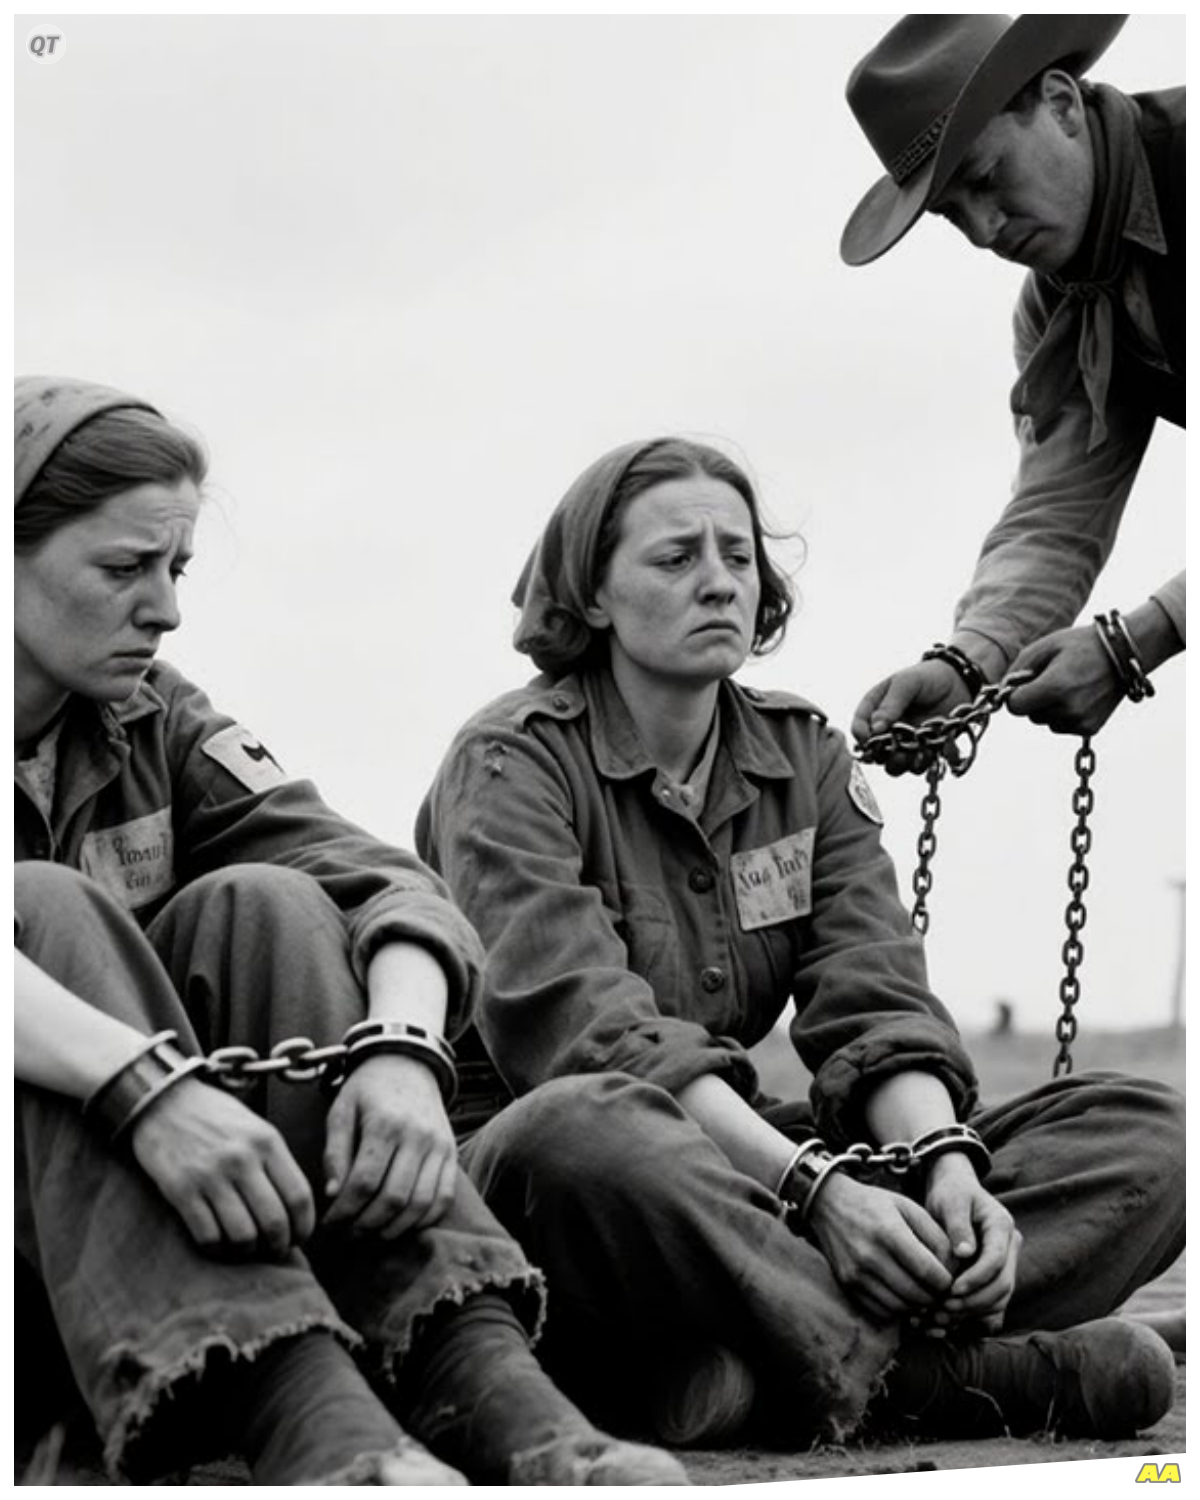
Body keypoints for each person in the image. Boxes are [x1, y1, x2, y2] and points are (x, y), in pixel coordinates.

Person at [417, 435, 1183, 1453]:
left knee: (1150, 1131)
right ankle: (950, 1375)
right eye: (676, 558)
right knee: (586, 1130)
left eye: (738, 556)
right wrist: (817, 1196)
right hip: (570, 1182)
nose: (720, 582)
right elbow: (592, 1042)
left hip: (750, 1177)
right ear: (592, 596)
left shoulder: (803, 757)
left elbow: (874, 999)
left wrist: (946, 1171)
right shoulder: (508, 763)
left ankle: (769, 1354)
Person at [13, 376, 688, 1488]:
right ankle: (308, 1422)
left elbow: (381, 875)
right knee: (42, 905)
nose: (167, 608)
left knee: (267, 905)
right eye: (124, 568)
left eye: (174, 569)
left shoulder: (152, 717)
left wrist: (403, 1055)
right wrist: (148, 1089)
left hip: (133, 1240)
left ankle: (482, 1381)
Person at [838, 15, 1183, 754]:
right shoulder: (1059, 306)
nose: (985, 230)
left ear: (1060, 103)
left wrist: (1145, 636)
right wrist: (970, 662)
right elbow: (1058, 509)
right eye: (950, 214)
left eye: (988, 179)